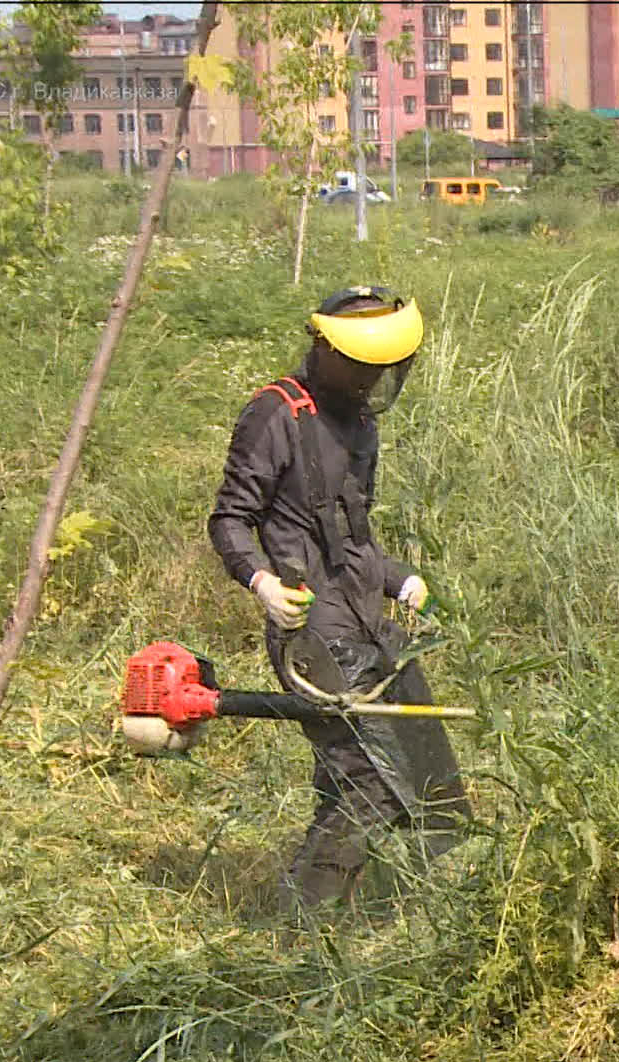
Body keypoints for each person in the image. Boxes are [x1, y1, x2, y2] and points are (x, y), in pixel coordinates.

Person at [209, 285, 470, 914]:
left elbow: (351, 539)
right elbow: (229, 519)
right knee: (370, 780)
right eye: (363, 368)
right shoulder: (276, 416)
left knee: (420, 756)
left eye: (383, 371)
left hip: (365, 619)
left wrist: (400, 578)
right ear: (328, 352)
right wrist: (262, 583)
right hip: (311, 633)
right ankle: (306, 930)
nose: (373, 382)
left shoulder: (358, 423)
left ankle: (429, 899)